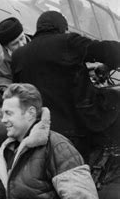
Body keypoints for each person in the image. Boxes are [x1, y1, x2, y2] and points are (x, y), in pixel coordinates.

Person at [11, 10, 120, 158]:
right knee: (114, 96)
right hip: (75, 128)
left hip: (39, 130)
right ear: (61, 28)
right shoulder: (68, 42)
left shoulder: (18, 56)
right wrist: (107, 66)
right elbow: (112, 51)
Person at [0, 17, 29, 96]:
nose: (21, 44)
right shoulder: (3, 63)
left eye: (22, 38)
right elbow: (5, 83)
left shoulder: (40, 46)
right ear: (6, 47)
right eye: (15, 43)